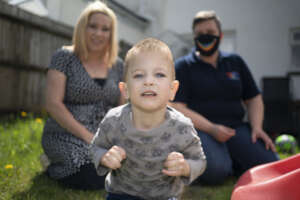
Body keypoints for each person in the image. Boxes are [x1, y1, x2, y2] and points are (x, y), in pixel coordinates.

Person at [90, 38, 207, 200]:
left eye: (159, 74)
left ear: (172, 90)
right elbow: (96, 147)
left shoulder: (182, 126)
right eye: (138, 75)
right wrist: (104, 157)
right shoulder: (113, 120)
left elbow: (199, 161)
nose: (149, 81)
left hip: (164, 196)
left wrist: (186, 167)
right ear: (125, 90)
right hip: (121, 194)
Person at [171, 10, 278, 185]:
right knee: (217, 172)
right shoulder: (183, 66)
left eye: (210, 33)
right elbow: (177, 107)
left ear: (220, 35)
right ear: (194, 37)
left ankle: (232, 159)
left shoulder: (235, 62)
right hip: (201, 131)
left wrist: (257, 128)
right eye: (200, 34)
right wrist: (212, 129)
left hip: (236, 129)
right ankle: (222, 162)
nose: (205, 37)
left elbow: (254, 98)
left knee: (270, 164)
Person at [41, 1, 124, 190]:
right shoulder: (64, 57)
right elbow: (53, 104)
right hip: (67, 133)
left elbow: (120, 107)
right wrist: (90, 138)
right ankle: (53, 165)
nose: (98, 33)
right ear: (82, 28)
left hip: (104, 135)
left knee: (125, 167)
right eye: (92, 26)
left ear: (112, 34)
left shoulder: (118, 65)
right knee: (93, 174)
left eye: (105, 29)